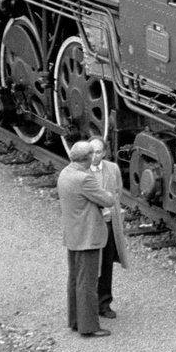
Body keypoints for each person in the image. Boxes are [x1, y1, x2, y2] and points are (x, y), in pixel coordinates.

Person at [58, 139, 117, 338]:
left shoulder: (65, 173)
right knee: (88, 283)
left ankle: (75, 321)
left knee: (75, 280)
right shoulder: (84, 179)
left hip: (73, 234)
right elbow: (108, 199)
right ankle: (89, 326)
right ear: (88, 158)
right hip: (88, 236)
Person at [90, 140, 129, 320]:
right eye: (91, 152)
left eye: (98, 152)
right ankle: (88, 303)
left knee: (106, 264)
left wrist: (111, 211)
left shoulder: (113, 169)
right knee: (90, 265)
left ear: (104, 153)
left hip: (109, 224)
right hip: (91, 225)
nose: (94, 156)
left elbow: (117, 192)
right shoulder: (81, 171)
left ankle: (104, 303)